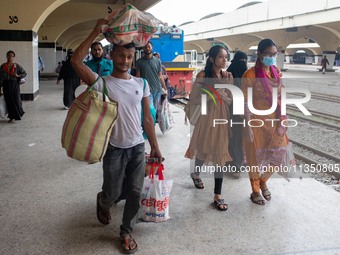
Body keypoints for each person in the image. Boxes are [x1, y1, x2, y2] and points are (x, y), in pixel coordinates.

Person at [71, 19, 163, 254]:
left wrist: (154, 146)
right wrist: (94, 31)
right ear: (112, 56)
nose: (125, 61)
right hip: (113, 148)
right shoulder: (102, 83)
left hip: (136, 148)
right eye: (121, 56)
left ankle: (126, 231)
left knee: (135, 191)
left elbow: (147, 119)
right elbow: (75, 61)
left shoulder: (141, 83)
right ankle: (103, 200)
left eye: (129, 57)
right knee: (112, 193)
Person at [185, 45, 233, 211]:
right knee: (204, 149)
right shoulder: (203, 76)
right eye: (221, 57)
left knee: (219, 153)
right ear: (212, 58)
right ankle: (196, 173)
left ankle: (217, 195)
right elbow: (194, 98)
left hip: (222, 118)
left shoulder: (228, 76)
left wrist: (226, 98)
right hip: (206, 117)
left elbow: (231, 97)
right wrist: (212, 96)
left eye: (226, 57)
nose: (224, 60)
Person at [241, 38, 288, 205]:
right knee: (255, 159)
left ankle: (263, 180)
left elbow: (281, 95)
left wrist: (283, 118)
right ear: (259, 54)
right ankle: (255, 191)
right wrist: (247, 127)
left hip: (275, 121)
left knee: (279, 154)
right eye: (268, 54)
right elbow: (245, 102)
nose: (272, 57)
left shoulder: (276, 71)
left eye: (274, 54)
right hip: (256, 123)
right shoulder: (250, 75)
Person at [227, 51, 248, 178]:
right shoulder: (229, 74)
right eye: (242, 61)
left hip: (241, 111)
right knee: (236, 137)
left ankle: (235, 161)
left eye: (244, 61)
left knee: (237, 137)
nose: (243, 63)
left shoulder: (246, 74)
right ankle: (235, 164)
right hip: (233, 111)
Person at [135, 41, 167, 111]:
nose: (147, 48)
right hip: (147, 90)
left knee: (154, 110)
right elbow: (138, 76)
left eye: (149, 47)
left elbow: (160, 75)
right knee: (150, 109)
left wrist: (164, 88)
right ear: (143, 48)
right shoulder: (139, 62)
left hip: (157, 89)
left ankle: (152, 122)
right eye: (145, 47)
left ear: (152, 48)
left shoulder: (158, 61)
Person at [0, 50, 26, 122]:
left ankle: (18, 113)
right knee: (9, 101)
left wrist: (17, 75)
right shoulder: (3, 66)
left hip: (14, 85)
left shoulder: (16, 66)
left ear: (13, 57)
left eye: (12, 56)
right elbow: (0, 77)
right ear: (6, 56)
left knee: (16, 99)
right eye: (9, 55)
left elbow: (24, 73)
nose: (10, 57)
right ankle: (11, 116)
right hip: (6, 85)